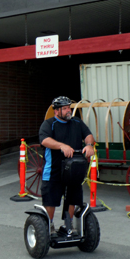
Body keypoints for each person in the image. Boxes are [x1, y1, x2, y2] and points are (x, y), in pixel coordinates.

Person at [39, 96, 95, 235]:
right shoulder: (48, 124)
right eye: (65, 109)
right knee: (51, 199)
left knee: (73, 197)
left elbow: (88, 135)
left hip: (73, 169)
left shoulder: (77, 122)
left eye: (69, 108)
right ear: (56, 111)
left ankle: (68, 225)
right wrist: (61, 146)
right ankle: (49, 226)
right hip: (54, 169)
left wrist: (89, 145)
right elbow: (45, 140)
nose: (68, 111)